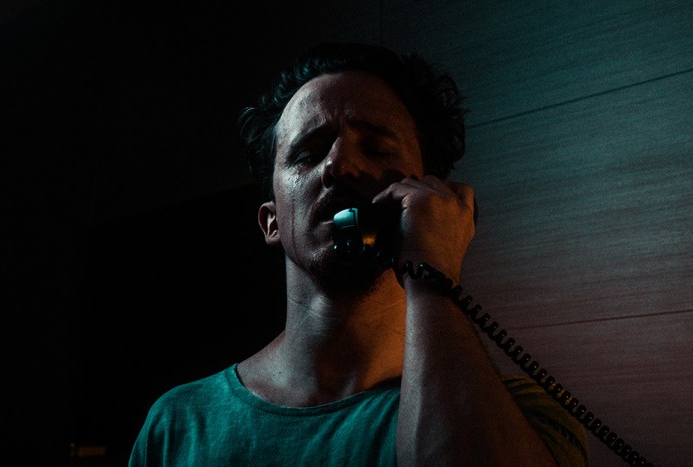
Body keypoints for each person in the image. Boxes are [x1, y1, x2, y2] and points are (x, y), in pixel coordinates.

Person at [128, 42, 588, 466]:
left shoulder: (520, 417)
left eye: (376, 148)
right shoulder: (178, 425)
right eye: (308, 153)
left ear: (432, 194)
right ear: (271, 222)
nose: (339, 165)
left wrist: (431, 274)